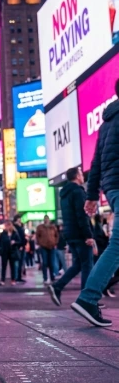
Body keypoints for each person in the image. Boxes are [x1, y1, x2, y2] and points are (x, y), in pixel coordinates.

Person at [71, 80, 119, 327]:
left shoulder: (107, 121)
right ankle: (88, 297)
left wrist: (91, 196)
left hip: (111, 187)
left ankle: (89, 297)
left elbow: (96, 162)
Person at [47, 167, 94, 306]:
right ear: (77, 176)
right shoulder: (78, 192)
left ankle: (57, 287)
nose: (83, 176)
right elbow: (82, 215)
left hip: (70, 234)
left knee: (78, 265)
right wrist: (88, 235)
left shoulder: (65, 194)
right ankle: (85, 300)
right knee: (87, 265)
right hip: (80, 235)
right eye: (81, 173)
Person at [36, 215, 58, 285]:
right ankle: (45, 278)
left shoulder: (53, 227)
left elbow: (57, 235)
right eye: (45, 219)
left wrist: (55, 243)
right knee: (45, 263)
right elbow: (37, 236)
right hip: (43, 247)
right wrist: (40, 243)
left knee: (52, 263)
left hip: (52, 246)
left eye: (47, 219)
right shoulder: (40, 227)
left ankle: (52, 277)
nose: (46, 220)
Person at [0, 221, 21, 285]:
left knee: (12, 266)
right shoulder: (3, 234)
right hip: (4, 251)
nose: (7, 227)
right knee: (3, 266)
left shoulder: (15, 233)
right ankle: (2, 280)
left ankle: (13, 279)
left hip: (12, 251)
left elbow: (19, 241)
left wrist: (14, 242)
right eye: (6, 225)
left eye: (8, 225)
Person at [13, 214, 26, 282]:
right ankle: (16, 277)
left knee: (21, 263)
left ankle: (19, 277)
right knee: (17, 263)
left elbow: (23, 238)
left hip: (22, 246)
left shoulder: (21, 227)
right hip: (18, 247)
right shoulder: (15, 228)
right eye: (18, 220)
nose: (19, 221)